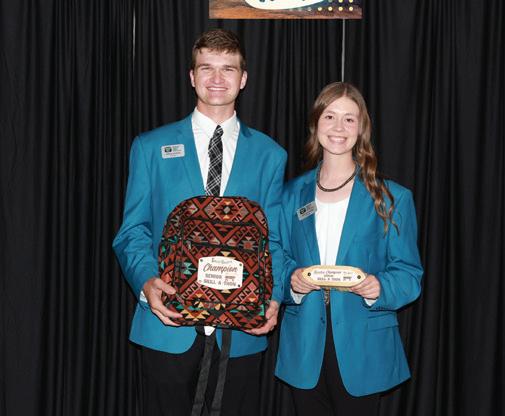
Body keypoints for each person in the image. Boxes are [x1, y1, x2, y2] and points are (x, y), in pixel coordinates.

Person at [113, 28, 287, 416]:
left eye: (228, 69)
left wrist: (274, 298)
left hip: (241, 332)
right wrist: (146, 282)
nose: (217, 78)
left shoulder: (270, 155)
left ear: (243, 78)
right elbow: (133, 231)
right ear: (192, 76)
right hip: (168, 325)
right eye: (207, 68)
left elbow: (274, 240)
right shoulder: (150, 147)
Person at [275, 82, 423, 415]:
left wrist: (379, 287)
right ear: (316, 124)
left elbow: (409, 274)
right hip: (304, 347)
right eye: (330, 116)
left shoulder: (392, 198)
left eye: (349, 119)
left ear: (361, 129)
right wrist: (291, 282)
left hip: (364, 347)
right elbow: (275, 259)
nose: (338, 128)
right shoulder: (289, 195)